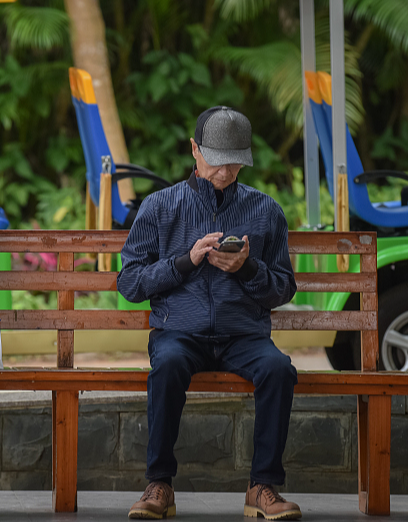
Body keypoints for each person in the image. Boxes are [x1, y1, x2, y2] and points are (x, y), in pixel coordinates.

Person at [117, 106, 301, 521]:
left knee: (279, 369)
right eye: (217, 160)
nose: (225, 171)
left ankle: (262, 487)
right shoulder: (160, 207)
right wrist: (186, 261)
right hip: (178, 332)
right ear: (195, 150)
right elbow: (129, 282)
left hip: (244, 335)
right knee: (167, 365)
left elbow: (283, 286)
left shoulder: (265, 210)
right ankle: (159, 483)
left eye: (235, 162)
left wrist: (248, 268)